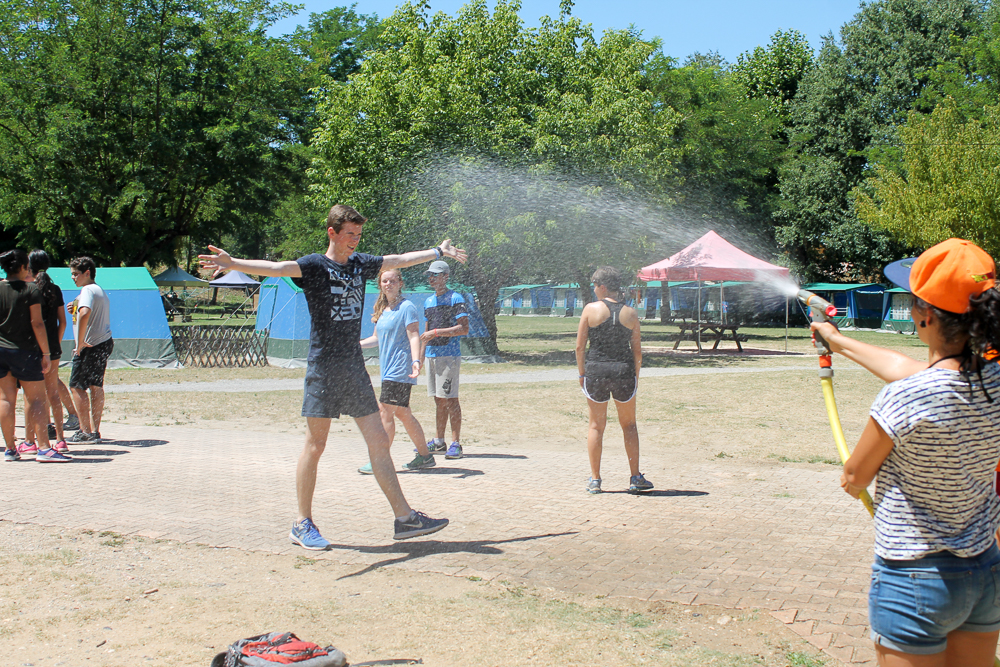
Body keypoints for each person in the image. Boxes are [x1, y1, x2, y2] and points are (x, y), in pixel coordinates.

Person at [199, 204, 467, 548]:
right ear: (332, 233)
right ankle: (302, 523)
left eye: (358, 235)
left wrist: (436, 251)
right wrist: (233, 263)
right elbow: (278, 268)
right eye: (349, 235)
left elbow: (397, 260)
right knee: (316, 444)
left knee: (377, 441)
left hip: (353, 365)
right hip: (323, 366)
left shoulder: (359, 264)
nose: (355, 241)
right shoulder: (314, 266)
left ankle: (405, 519)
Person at [812, 238, 1000, 667]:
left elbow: (856, 476)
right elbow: (925, 374)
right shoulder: (994, 380)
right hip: (985, 571)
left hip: (915, 576)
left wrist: (850, 478)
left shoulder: (906, 396)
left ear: (925, 315)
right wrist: (836, 341)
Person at [575, 266, 652, 495]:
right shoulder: (631, 313)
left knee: (596, 425)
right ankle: (635, 477)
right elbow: (637, 351)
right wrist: (635, 376)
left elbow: (580, 347)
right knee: (629, 425)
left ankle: (595, 480)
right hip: (623, 371)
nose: (594, 289)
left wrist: (581, 374)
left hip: (596, 370)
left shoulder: (590, 310)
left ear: (603, 286)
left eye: (594, 285)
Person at [357, 268, 435, 474]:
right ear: (380, 285)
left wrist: (416, 361)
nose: (388, 284)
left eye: (392, 281)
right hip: (387, 370)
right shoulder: (383, 309)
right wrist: (357, 345)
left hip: (400, 369)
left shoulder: (407, 307)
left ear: (400, 283)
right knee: (403, 413)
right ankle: (425, 456)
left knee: (385, 411)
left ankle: (379, 460)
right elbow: (376, 339)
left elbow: (413, 336)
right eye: (384, 281)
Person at [0, 249, 66, 462]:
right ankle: (45, 448)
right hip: (26, 351)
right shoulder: (31, 290)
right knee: (37, 398)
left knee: (5, 399)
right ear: (22, 267)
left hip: (1, 351)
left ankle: (10, 449)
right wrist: (46, 352)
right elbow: (37, 323)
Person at [20, 250, 68, 453]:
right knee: (53, 393)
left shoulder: (28, 289)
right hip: (53, 349)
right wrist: (53, 346)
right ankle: (60, 439)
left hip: (31, 348)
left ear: (29, 266)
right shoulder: (55, 289)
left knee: (30, 396)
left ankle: (29, 441)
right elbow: (63, 322)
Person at [420, 260, 468, 460]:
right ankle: (439, 442)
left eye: (436, 275)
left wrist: (437, 332)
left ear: (446, 276)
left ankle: (456, 443)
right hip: (432, 356)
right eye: (430, 275)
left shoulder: (455, 298)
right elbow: (425, 333)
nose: (432, 278)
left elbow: (463, 328)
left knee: (450, 399)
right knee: (438, 399)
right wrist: (420, 357)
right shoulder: (428, 301)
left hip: (448, 356)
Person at [65, 256, 113, 445]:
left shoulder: (87, 289)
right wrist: (74, 306)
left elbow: (85, 312)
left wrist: (80, 342)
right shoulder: (98, 290)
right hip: (104, 342)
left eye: (76, 274)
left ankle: (84, 431)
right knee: (96, 386)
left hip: (90, 345)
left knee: (76, 386)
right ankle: (94, 430)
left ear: (87, 273)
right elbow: (81, 309)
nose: (73, 278)